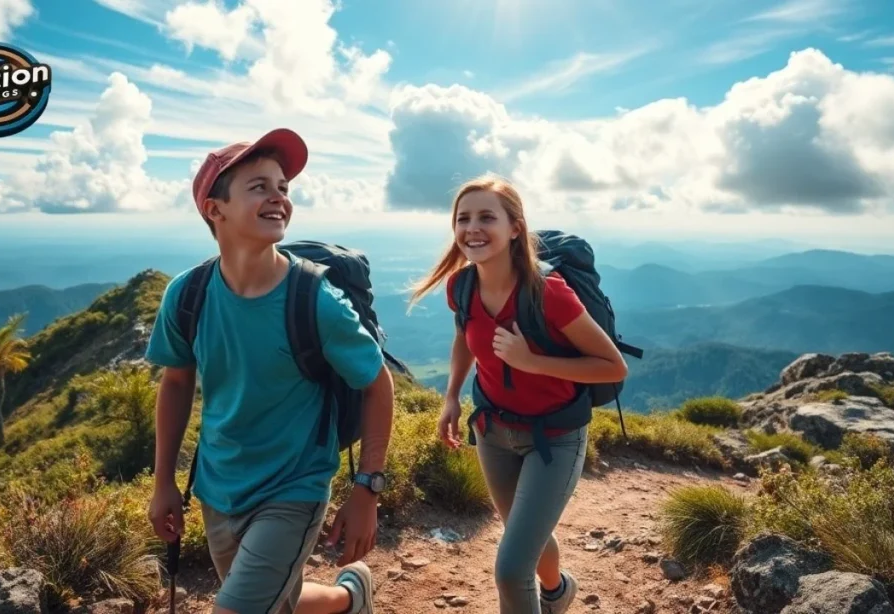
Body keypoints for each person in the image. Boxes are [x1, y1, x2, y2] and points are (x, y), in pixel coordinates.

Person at [144, 128, 394, 614]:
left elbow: (376, 382)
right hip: (218, 487)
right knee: (279, 600)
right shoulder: (187, 295)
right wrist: (163, 482)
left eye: (283, 187)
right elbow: (176, 382)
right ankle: (350, 598)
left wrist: (368, 488)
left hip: (294, 487)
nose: (279, 196)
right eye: (259, 186)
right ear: (215, 210)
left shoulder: (315, 299)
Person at [407, 174, 629, 614]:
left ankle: (550, 594)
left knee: (511, 569)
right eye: (463, 218)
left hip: (555, 438)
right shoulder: (461, 286)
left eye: (486, 217)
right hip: (492, 432)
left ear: (515, 228)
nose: (472, 228)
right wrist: (451, 397)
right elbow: (464, 337)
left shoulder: (549, 293)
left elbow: (612, 365)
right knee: (525, 538)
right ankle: (558, 591)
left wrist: (531, 362)